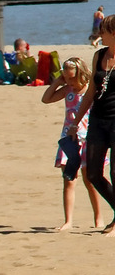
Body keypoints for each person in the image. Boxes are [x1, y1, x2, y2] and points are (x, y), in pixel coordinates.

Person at [43, 56, 104, 231]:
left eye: (72, 78)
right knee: (69, 179)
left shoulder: (90, 90)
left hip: (87, 138)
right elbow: (46, 99)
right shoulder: (67, 90)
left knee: (90, 180)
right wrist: (57, 82)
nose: (70, 82)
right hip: (69, 139)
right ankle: (68, 221)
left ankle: (98, 217)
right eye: (66, 78)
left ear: (81, 74)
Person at [75, 16, 115, 235]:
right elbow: (91, 90)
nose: (100, 35)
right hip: (97, 120)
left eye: (103, 31)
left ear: (113, 33)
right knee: (92, 173)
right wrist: (76, 121)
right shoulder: (99, 55)